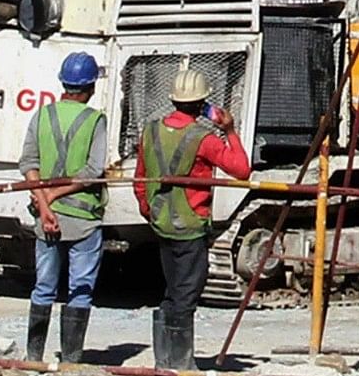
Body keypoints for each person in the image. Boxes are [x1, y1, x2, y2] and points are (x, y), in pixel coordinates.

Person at [135, 64, 249, 374]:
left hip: (161, 222)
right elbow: (241, 170)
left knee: (172, 291)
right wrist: (229, 130)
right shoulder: (204, 138)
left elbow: (141, 178)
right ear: (202, 104)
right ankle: (182, 364)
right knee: (187, 293)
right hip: (190, 225)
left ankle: (165, 361)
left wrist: (149, 209)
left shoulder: (151, 130)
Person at [21, 52, 111, 366]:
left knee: (43, 287)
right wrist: (57, 194)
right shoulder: (95, 120)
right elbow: (93, 171)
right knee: (80, 291)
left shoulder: (42, 115)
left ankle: (33, 359)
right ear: (90, 87)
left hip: (46, 218)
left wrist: (45, 204)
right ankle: (71, 362)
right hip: (84, 220)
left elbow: (29, 165)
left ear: (63, 83)